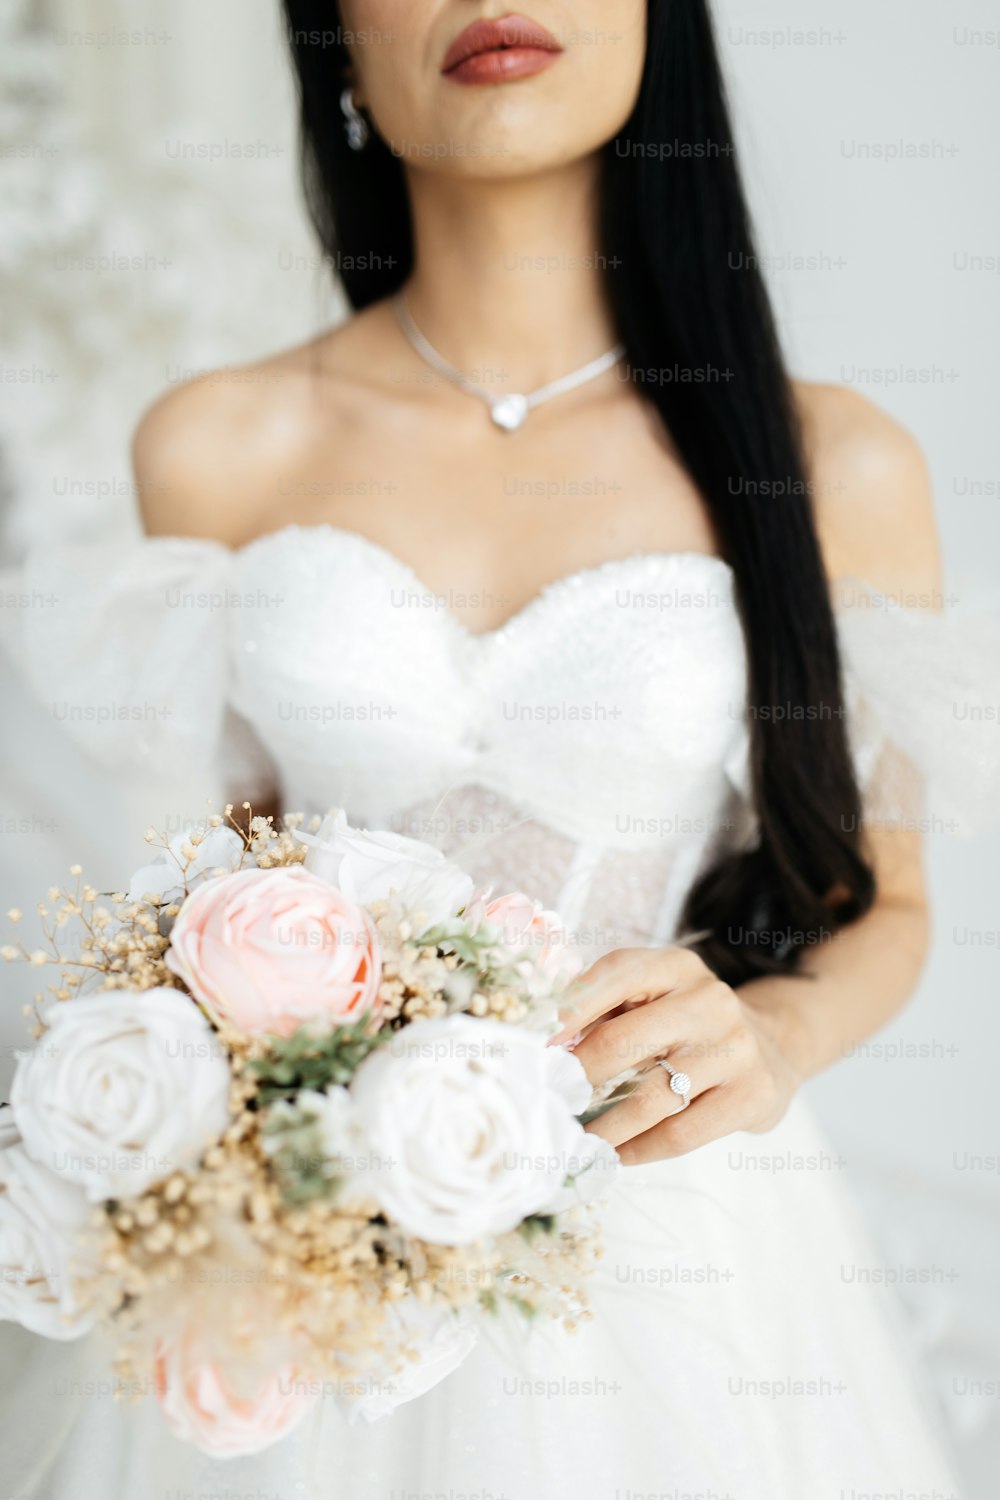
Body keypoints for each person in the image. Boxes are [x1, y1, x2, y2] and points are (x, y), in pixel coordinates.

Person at [1, 3, 985, 1496]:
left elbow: (884, 901)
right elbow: (221, 889)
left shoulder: (831, 460)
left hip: (678, 1222)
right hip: (328, 1252)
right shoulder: (216, 444)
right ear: (333, 33)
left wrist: (770, 1034)